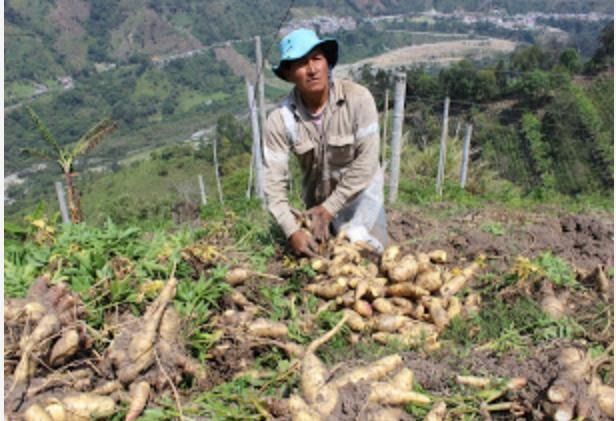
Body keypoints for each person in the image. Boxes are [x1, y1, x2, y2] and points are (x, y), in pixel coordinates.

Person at [263, 28, 387, 257]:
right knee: (319, 264)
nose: (311, 70)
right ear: (289, 74)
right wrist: (292, 231)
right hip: (316, 209)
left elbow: (368, 162)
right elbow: (273, 186)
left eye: (316, 59)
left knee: (372, 255)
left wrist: (330, 208)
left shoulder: (358, 99)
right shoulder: (280, 120)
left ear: (327, 63)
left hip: (360, 200)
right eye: (300, 63)